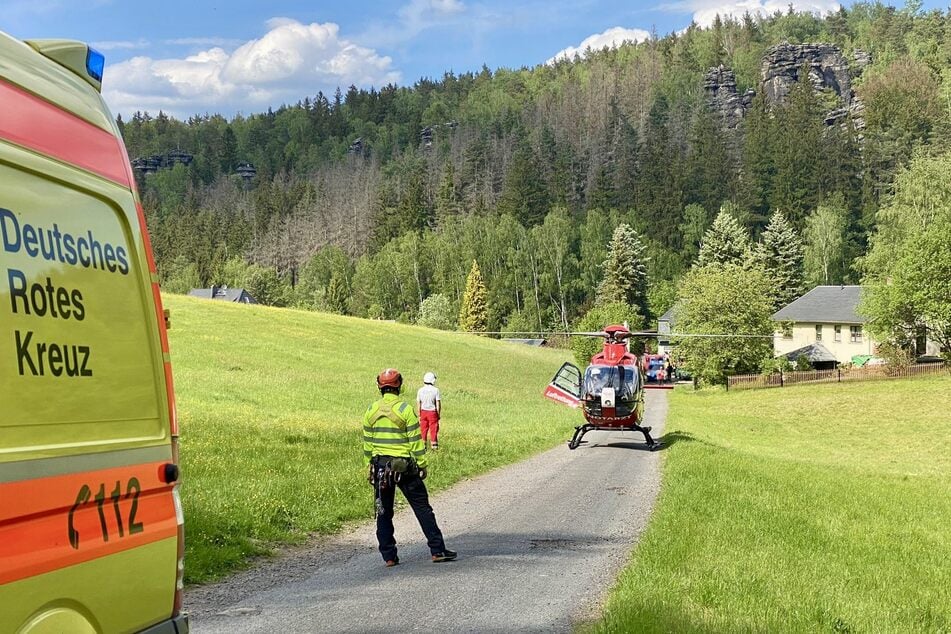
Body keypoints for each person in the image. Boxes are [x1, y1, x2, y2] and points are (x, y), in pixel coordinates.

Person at [364, 368, 457, 567]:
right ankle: (437, 550)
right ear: (400, 386)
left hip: (380, 467)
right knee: (422, 508)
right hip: (404, 467)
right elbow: (415, 441)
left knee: (383, 512)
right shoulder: (405, 410)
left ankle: (389, 556)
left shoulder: (371, 410)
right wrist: (422, 464)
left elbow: (367, 444)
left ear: (380, 387)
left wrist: (369, 466)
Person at [417, 371, 441, 450]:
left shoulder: (420, 390)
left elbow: (419, 403)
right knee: (433, 429)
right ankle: (434, 447)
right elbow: (437, 403)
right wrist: (438, 414)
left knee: (423, 429)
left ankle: (423, 446)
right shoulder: (436, 390)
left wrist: (419, 414)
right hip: (432, 412)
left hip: (423, 412)